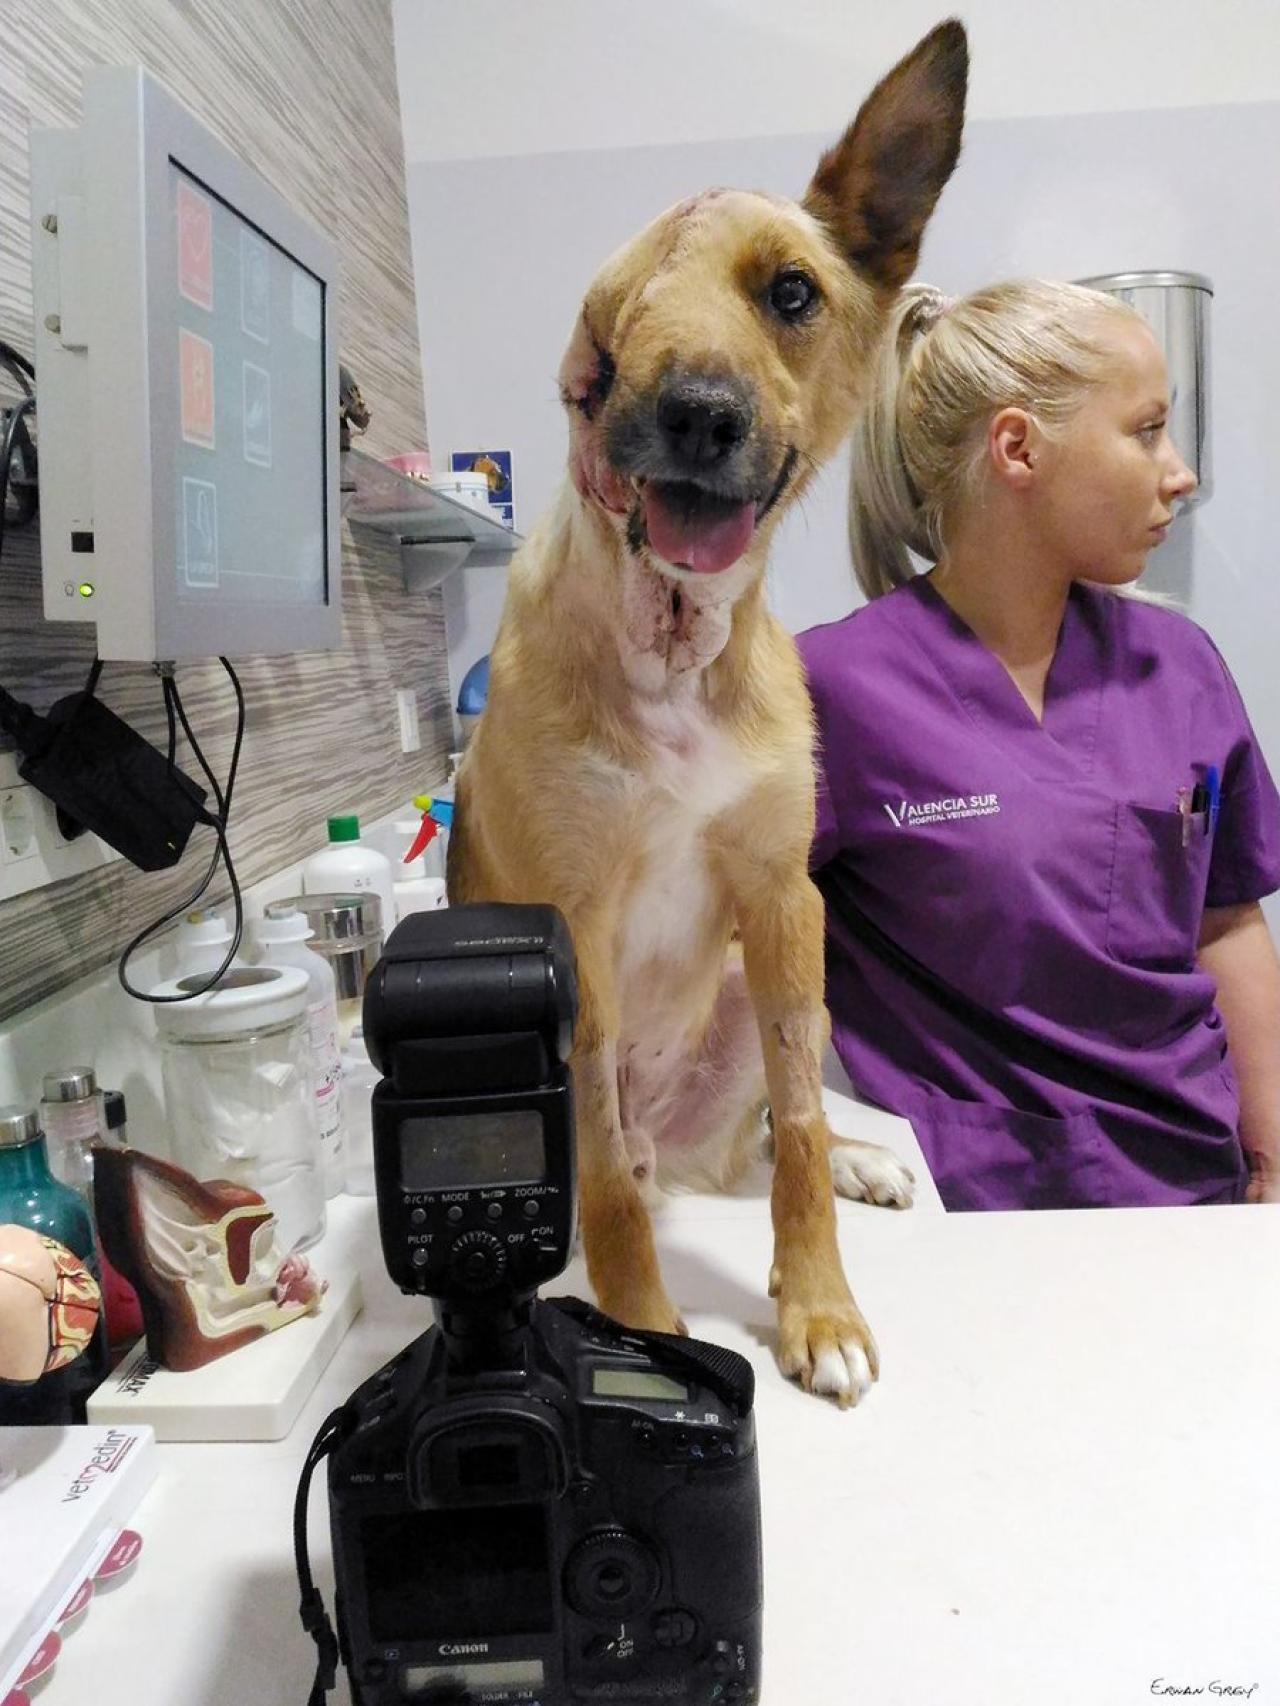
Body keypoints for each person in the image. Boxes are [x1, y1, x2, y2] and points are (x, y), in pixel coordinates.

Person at [798, 280, 1280, 1210]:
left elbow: (1227, 920)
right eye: (1146, 431)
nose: (1176, 471)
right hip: (968, 1214)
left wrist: (1275, 1156)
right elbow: (745, 947)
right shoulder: (831, 690)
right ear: (1018, 447)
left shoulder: (1179, 666)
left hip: (1194, 1189)